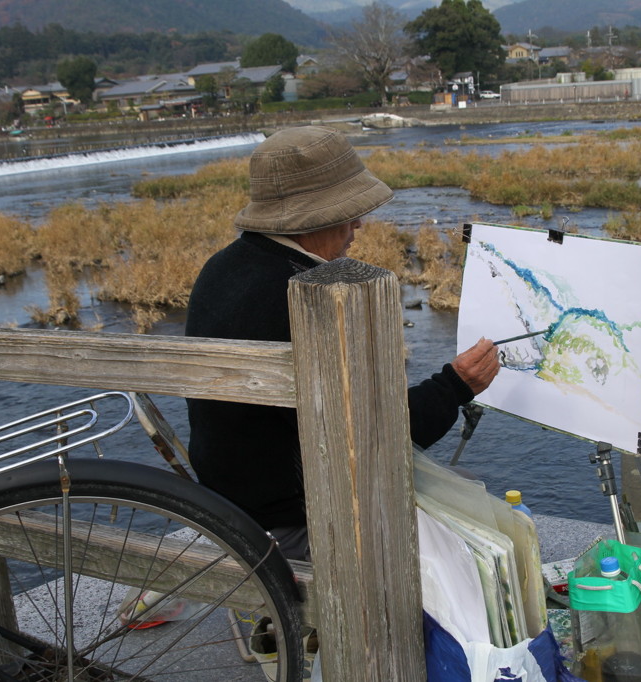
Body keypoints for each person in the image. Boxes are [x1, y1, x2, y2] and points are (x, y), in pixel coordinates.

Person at [186, 126, 499, 561]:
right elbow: (383, 436)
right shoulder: (313, 294)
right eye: (348, 212)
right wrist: (457, 384)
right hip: (299, 518)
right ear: (311, 217)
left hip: (230, 502)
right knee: (482, 516)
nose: (358, 223)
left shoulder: (220, 268)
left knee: (460, 485)